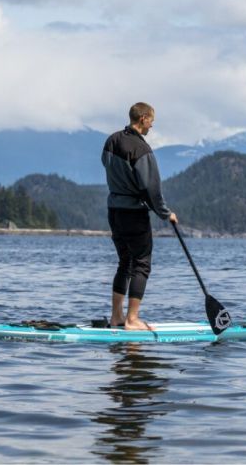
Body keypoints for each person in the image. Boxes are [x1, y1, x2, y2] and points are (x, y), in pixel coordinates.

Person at [101, 102, 178, 330]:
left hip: (114, 210)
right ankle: (132, 320)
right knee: (142, 264)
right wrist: (166, 214)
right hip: (134, 213)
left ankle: (116, 317)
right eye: (151, 120)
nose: (152, 126)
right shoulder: (141, 149)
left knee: (125, 262)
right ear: (143, 118)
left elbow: (106, 164)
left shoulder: (112, 140)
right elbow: (151, 189)